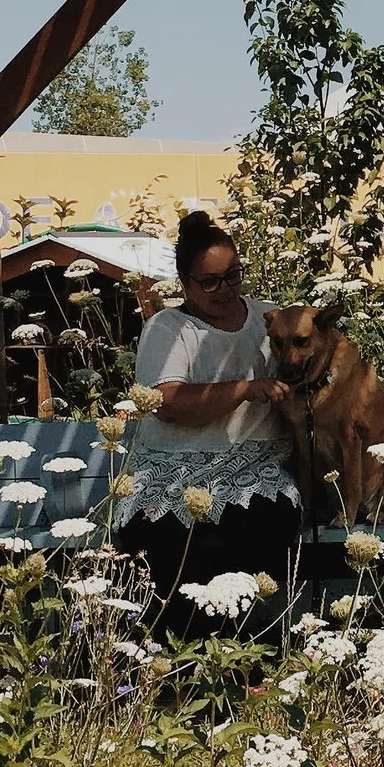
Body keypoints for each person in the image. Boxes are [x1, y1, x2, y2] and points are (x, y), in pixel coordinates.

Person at [114, 212, 299, 633]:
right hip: (173, 471)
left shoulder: (271, 319)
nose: (226, 290)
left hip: (256, 471)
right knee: (169, 531)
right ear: (185, 283)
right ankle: (179, 662)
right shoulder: (168, 328)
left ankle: (244, 652)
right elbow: (170, 404)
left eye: (233, 276)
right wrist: (245, 388)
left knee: (262, 518)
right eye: (210, 282)